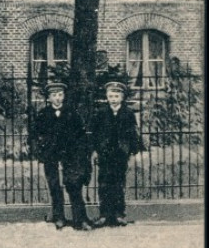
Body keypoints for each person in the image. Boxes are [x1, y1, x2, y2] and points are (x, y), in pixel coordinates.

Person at [32, 80, 92, 231]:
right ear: (49, 98)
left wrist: (79, 152)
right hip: (51, 155)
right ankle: (59, 217)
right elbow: (34, 136)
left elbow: (81, 136)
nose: (58, 98)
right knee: (54, 185)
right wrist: (41, 151)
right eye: (54, 95)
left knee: (74, 185)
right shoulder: (43, 114)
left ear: (64, 96)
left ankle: (80, 219)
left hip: (70, 155)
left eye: (60, 94)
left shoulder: (72, 113)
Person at [91, 79, 144, 227]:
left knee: (119, 183)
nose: (113, 99)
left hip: (120, 154)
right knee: (104, 184)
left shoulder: (128, 114)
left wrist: (132, 154)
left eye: (116, 96)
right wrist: (95, 150)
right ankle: (104, 215)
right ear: (107, 97)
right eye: (111, 96)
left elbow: (133, 135)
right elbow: (95, 133)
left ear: (122, 97)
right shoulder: (101, 113)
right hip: (105, 154)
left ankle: (119, 214)